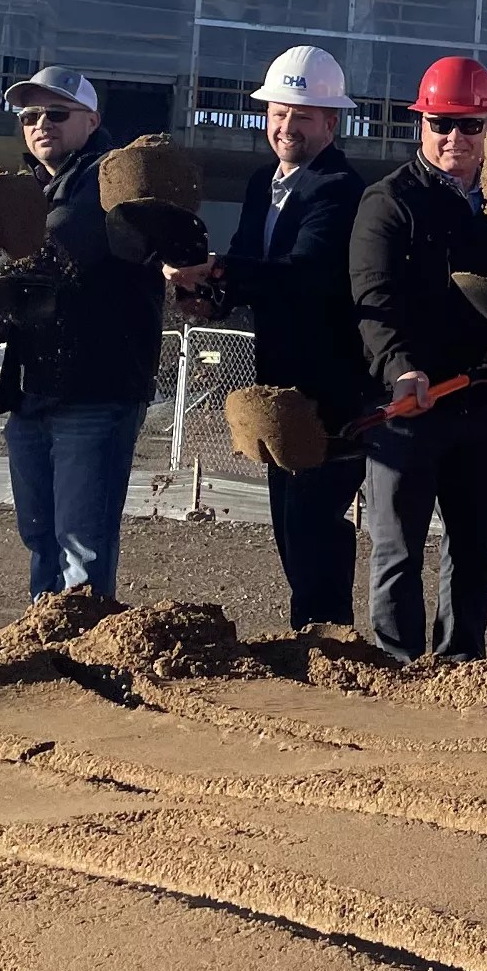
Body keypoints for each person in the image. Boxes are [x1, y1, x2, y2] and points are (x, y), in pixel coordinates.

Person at [170, 45, 374, 629]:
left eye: (302, 116)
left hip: (331, 390)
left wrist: (218, 271)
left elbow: (305, 273)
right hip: (280, 386)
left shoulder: (342, 189)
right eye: (279, 113)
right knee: (290, 522)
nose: (287, 127)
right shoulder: (264, 183)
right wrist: (210, 295)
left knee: (313, 523)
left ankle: (326, 636)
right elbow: (250, 265)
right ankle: (316, 635)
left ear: (331, 123)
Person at [350, 55, 487, 660]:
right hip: (408, 409)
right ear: (420, 124)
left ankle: (461, 665)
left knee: (473, 550)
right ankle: (396, 667)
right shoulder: (388, 202)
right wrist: (400, 368)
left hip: (476, 404)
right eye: (441, 124)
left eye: (470, 125)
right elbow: (372, 299)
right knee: (397, 550)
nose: (455, 138)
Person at [0, 67, 165, 602]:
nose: (40, 124)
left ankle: (76, 649)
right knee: (43, 537)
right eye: (30, 115)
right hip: (34, 385)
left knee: (80, 547)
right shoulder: (32, 190)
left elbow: (63, 241)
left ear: (92, 121)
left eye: (56, 113)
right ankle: (45, 642)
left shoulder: (113, 179)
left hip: (95, 386)